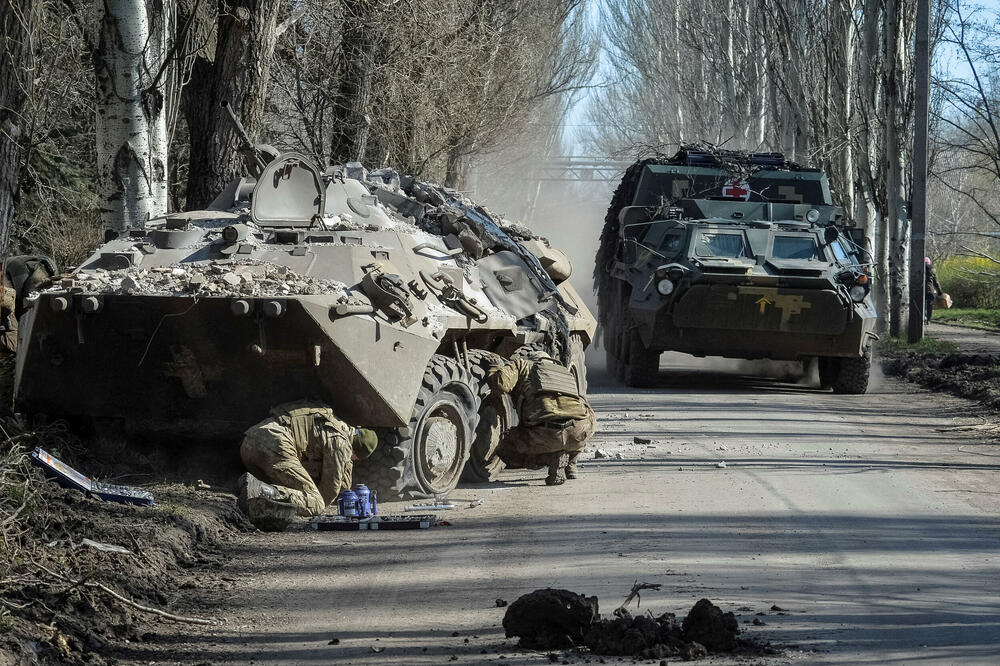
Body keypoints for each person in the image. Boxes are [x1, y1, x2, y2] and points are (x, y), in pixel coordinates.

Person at [238, 401, 378, 529]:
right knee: (316, 502)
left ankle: (250, 489)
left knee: (295, 490)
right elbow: (331, 488)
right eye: (356, 458)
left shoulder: (334, 423)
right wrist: (316, 504)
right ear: (356, 451)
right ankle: (260, 490)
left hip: (250, 444)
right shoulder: (341, 442)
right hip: (275, 444)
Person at [487, 352, 596, 486]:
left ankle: (551, 458)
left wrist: (494, 366)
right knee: (586, 415)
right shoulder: (564, 372)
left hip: (546, 434)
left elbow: (500, 384)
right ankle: (571, 463)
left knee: (504, 446)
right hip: (578, 432)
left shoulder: (524, 365)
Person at [925, 256, 943, 324]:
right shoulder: (932, 269)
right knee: (929, 305)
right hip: (930, 290)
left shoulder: (918, 269)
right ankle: (928, 320)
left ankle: (923, 317)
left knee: (920, 305)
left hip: (920, 289)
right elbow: (936, 282)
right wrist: (940, 292)